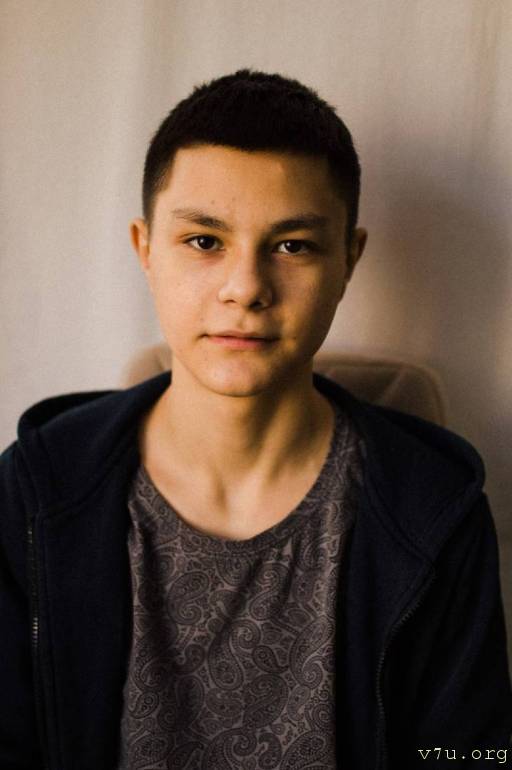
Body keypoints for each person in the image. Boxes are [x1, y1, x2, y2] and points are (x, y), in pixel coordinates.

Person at [0, 69, 510, 770]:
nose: (245, 289)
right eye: (204, 241)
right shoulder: (35, 492)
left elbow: (470, 756)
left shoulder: (436, 509)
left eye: (292, 245)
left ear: (348, 260)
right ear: (145, 249)